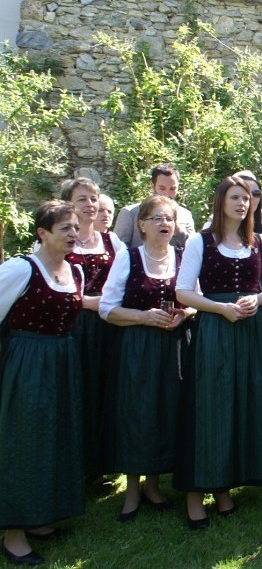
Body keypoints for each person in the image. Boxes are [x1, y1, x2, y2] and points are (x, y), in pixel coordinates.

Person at [174, 176, 262, 529]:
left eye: (246, 198)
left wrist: (257, 299)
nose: (242, 204)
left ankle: (223, 487)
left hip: (248, 331)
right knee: (209, 406)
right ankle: (194, 495)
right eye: (235, 197)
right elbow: (183, 292)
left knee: (239, 404)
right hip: (215, 331)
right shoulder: (200, 241)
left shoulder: (258, 242)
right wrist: (221, 309)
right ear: (220, 201)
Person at [0, 201, 85, 565]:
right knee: (24, 442)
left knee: (54, 438)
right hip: (28, 362)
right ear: (43, 233)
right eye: (65, 228)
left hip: (63, 360)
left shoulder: (75, 271)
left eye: (75, 227)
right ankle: (13, 534)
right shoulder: (21, 268)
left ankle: (39, 517)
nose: (73, 234)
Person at [99, 195, 193, 522]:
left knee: (166, 410)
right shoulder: (129, 258)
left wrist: (184, 314)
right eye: (157, 218)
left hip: (174, 346)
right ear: (141, 225)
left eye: (169, 219)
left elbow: (196, 300)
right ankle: (132, 490)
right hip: (137, 347)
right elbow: (107, 308)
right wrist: (143, 317)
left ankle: (153, 486)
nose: (165, 224)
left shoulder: (183, 257)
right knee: (136, 413)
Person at [61, 177, 126, 484]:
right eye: (82, 199)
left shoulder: (112, 241)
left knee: (105, 391)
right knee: (77, 393)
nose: (90, 205)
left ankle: (100, 465)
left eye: (93, 198)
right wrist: (86, 302)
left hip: (110, 327)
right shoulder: (59, 240)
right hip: (73, 327)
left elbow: (129, 275)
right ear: (68, 205)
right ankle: (73, 466)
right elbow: (45, 280)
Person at [114, 163, 196, 248]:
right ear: (152, 186)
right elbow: (118, 248)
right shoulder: (130, 213)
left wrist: (179, 231)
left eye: (172, 189)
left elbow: (193, 248)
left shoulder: (185, 215)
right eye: (162, 188)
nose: (167, 194)